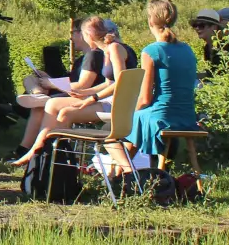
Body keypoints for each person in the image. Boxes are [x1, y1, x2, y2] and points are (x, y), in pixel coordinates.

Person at [10, 17, 136, 166]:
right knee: (56, 107)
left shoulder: (114, 49)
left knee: (54, 106)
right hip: (111, 100)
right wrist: (85, 93)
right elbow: (109, 83)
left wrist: (92, 98)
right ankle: (43, 155)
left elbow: (120, 83)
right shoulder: (110, 50)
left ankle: (42, 155)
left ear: (88, 35)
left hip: (116, 104)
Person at [128, 0, 200, 163]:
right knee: (138, 120)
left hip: (162, 116)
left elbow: (145, 99)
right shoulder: (187, 49)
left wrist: (129, 113)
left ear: (150, 20)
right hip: (187, 117)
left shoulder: (152, 51)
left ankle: (119, 174)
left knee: (128, 123)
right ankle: (121, 174)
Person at [15, 18, 100, 154]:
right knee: (30, 79)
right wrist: (50, 80)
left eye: (73, 33)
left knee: (39, 108)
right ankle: (38, 95)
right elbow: (73, 81)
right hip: (73, 93)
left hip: (80, 97)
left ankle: (26, 149)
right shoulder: (84, 58)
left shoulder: (92, 56)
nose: (71, 38)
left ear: (83, 33)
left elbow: (82, 86)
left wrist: (51, 83)